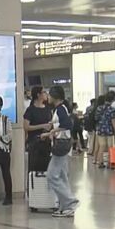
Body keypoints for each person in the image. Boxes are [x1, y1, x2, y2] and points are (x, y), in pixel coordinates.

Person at [42, 86, 79, 217]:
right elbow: (62, 124)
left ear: (55, 96)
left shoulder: (60, 109)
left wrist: (52, 131)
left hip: (61, 145)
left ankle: (70, 202)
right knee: (62, 176)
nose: (48, 97)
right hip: (63, 143)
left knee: (52, 175)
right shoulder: (60, 109)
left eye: (49, 95)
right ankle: (65, 207)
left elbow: (67, 124)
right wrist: (51, 127)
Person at [23, 86, 53, 172]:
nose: (46, 94)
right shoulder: (30, 110)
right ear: (38, 94)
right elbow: (26, 127)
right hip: (34, 142)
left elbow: (51, 123)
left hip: (46, 142)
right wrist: (42, 126)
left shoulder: (47, 109)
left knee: (46, 167)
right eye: (44, 92)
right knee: (34, 167)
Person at [94, 91, 115, 168]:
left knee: (102, 146)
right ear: (113, 99)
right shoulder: (112, 109)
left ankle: (100, 163)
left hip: (100, 129)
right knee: (110, 146)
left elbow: (96, 118)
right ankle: (109, 163)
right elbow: (114, 122)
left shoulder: (99, 108)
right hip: (109, 130)